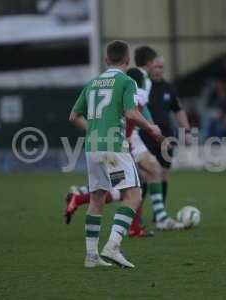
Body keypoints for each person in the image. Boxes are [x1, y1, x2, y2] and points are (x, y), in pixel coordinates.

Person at [69, 40, 163, 268]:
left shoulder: (92, 83)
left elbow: (73, 116)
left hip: (93, 148)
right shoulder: (127, 81)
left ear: (106, 60)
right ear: (128, 60)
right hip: (114, 148)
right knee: (134, 195)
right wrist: (151, 127)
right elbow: (131, 113)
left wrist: (93, 130)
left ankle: (91, 256)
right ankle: (112, 246)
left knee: (97, 198)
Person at [64, 67, 185, 233]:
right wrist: (132, 136)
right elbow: (132, 115)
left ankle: (81, 197)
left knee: (126, 184)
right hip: (121, 144)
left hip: (104, 143)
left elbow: (74, 116)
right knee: (131, 186)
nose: (160, 70)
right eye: (157, 66)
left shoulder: (101, 83)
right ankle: (148, 223)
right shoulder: (134, 84)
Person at [140, 56, 192, 205]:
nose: (158, 70)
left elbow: (179, 110)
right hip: (146, 135)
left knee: (163, 174)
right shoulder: (144, 87)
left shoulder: (168, 88)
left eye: (161, 67)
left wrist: (187, 131)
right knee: (144, 175)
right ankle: (136, 216)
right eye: (156, 67)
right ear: (150, 68)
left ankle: (159, 215)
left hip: (166, 137)